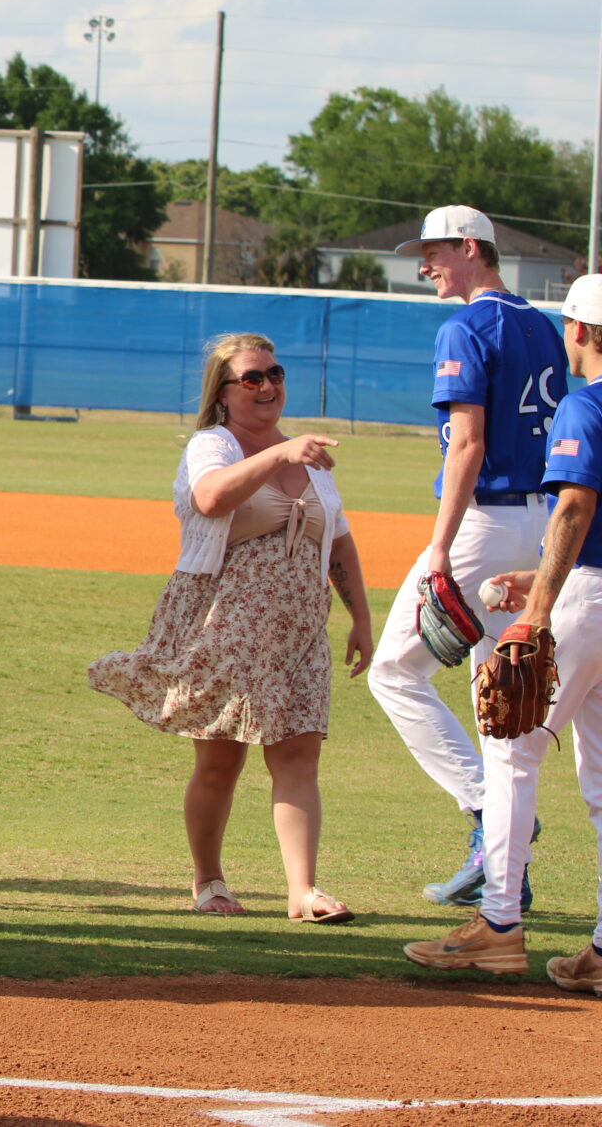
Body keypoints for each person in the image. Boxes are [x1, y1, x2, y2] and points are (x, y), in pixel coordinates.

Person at [88, 333, 373, 921]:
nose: (268, 386)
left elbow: (338, 537)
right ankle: (209, 883)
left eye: (275, 374)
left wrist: (361, 617)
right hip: (224, 626)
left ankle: (303, 892)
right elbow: (212, 498)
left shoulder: (308, 457)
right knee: (220, 760)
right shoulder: (211, 444)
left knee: (298, 757)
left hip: (297, 632)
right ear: (222, 391)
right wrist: (280, 455)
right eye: (252, 378)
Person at [363, 206, 564, 909]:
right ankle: (505, 874)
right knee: (498, 700)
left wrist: (440, 548)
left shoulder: (466, 326)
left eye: (435, 251)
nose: (425, 264)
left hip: (484, 521)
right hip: (539, 523)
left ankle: (487, 811)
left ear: (471, 247)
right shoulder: (545, 325)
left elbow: (469, 445)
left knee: (393, 672)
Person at [406, 273, 602, 983]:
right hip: (588, 588)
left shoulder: (585, 406)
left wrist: (539, 608)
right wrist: (540, 576)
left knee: (511, 754)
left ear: (577, 332)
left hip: (584, 601)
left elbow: (577, 510)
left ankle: (498, 923)